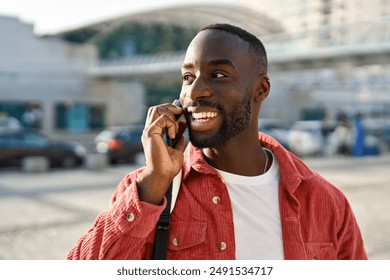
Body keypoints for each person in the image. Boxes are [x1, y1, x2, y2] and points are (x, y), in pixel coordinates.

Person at [67, 23, 367, 260]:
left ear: (260, 90)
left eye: (219, 74)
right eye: (187, 77)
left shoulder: (326, 202)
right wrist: (154, 181)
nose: (195, 92)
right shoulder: (148, 189)